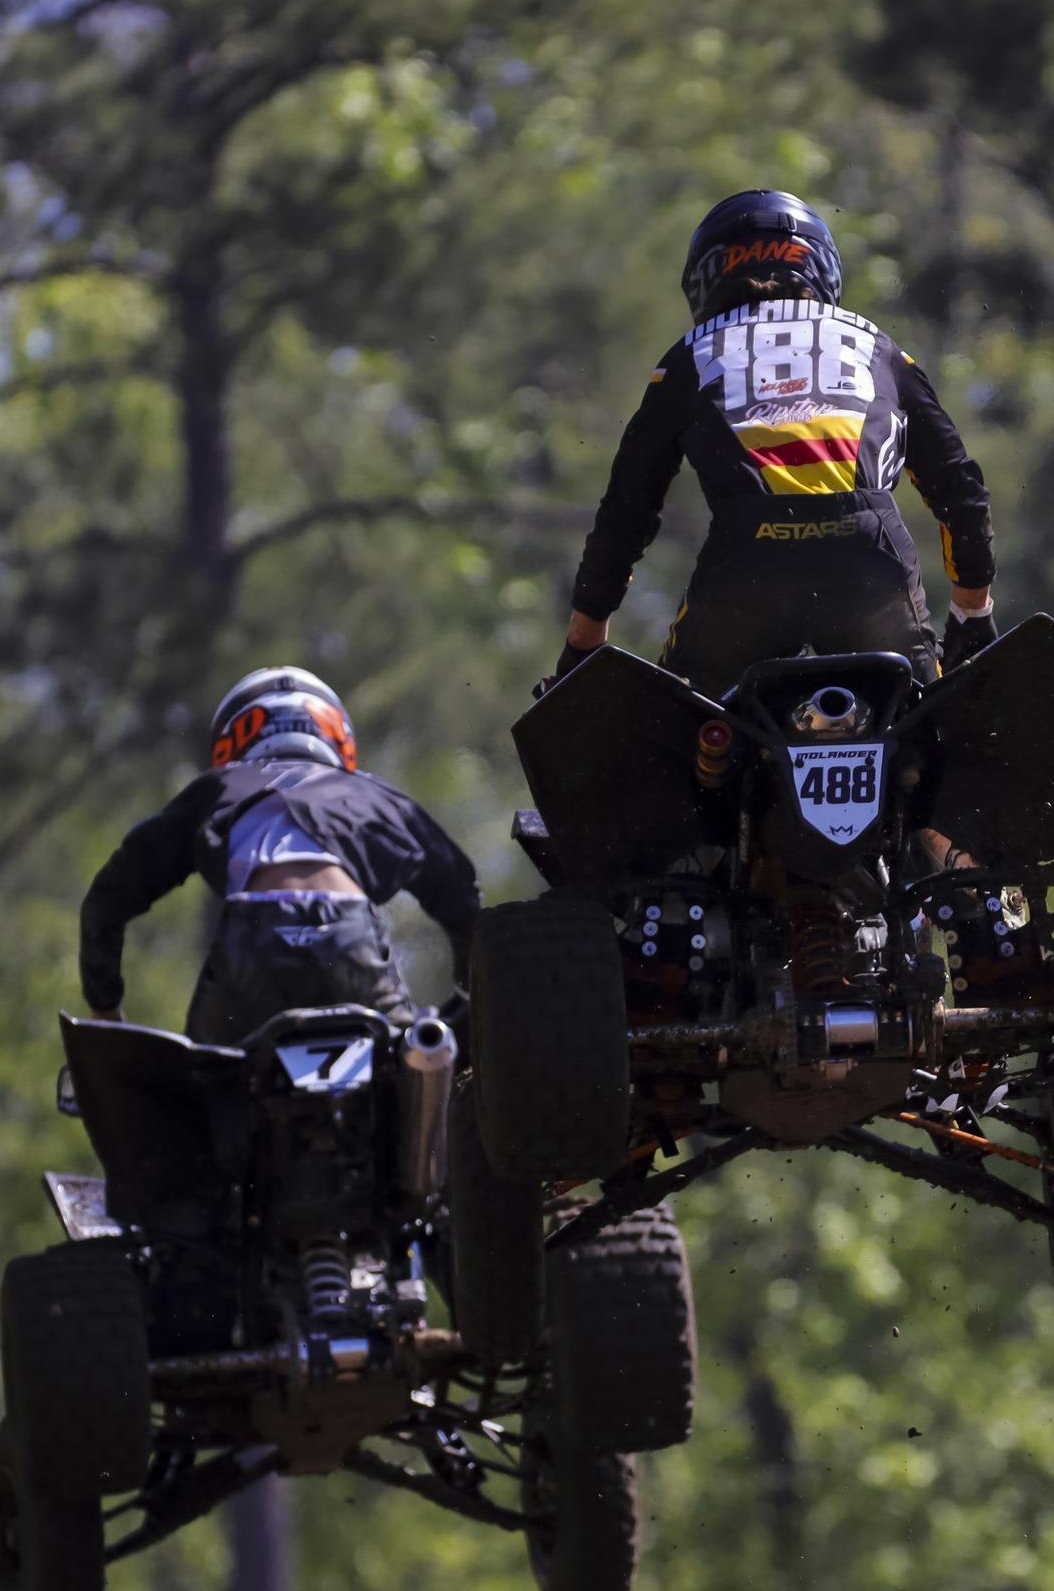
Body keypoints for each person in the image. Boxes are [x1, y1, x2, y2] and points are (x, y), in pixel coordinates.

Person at [552, 189, 1000, 697]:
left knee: (675, 739)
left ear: (705, 279)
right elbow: (960, 492)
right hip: (869, 555)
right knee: (925, 729)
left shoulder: (686, 359)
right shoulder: (878, 347)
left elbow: (626, 513)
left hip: (746, 565)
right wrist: (971, 616)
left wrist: (583, 646)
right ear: (820, 266)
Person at [79, 667, 479, 1048]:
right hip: (349, 934)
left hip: (251, 937)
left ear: (233, 740)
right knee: (412, 1069)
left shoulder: (218, 788)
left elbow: (107, 901)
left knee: (200, 1090)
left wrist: (106, 1010)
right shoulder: (371, 794)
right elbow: (461, 893)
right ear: (337, 736)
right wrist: (469, 991)